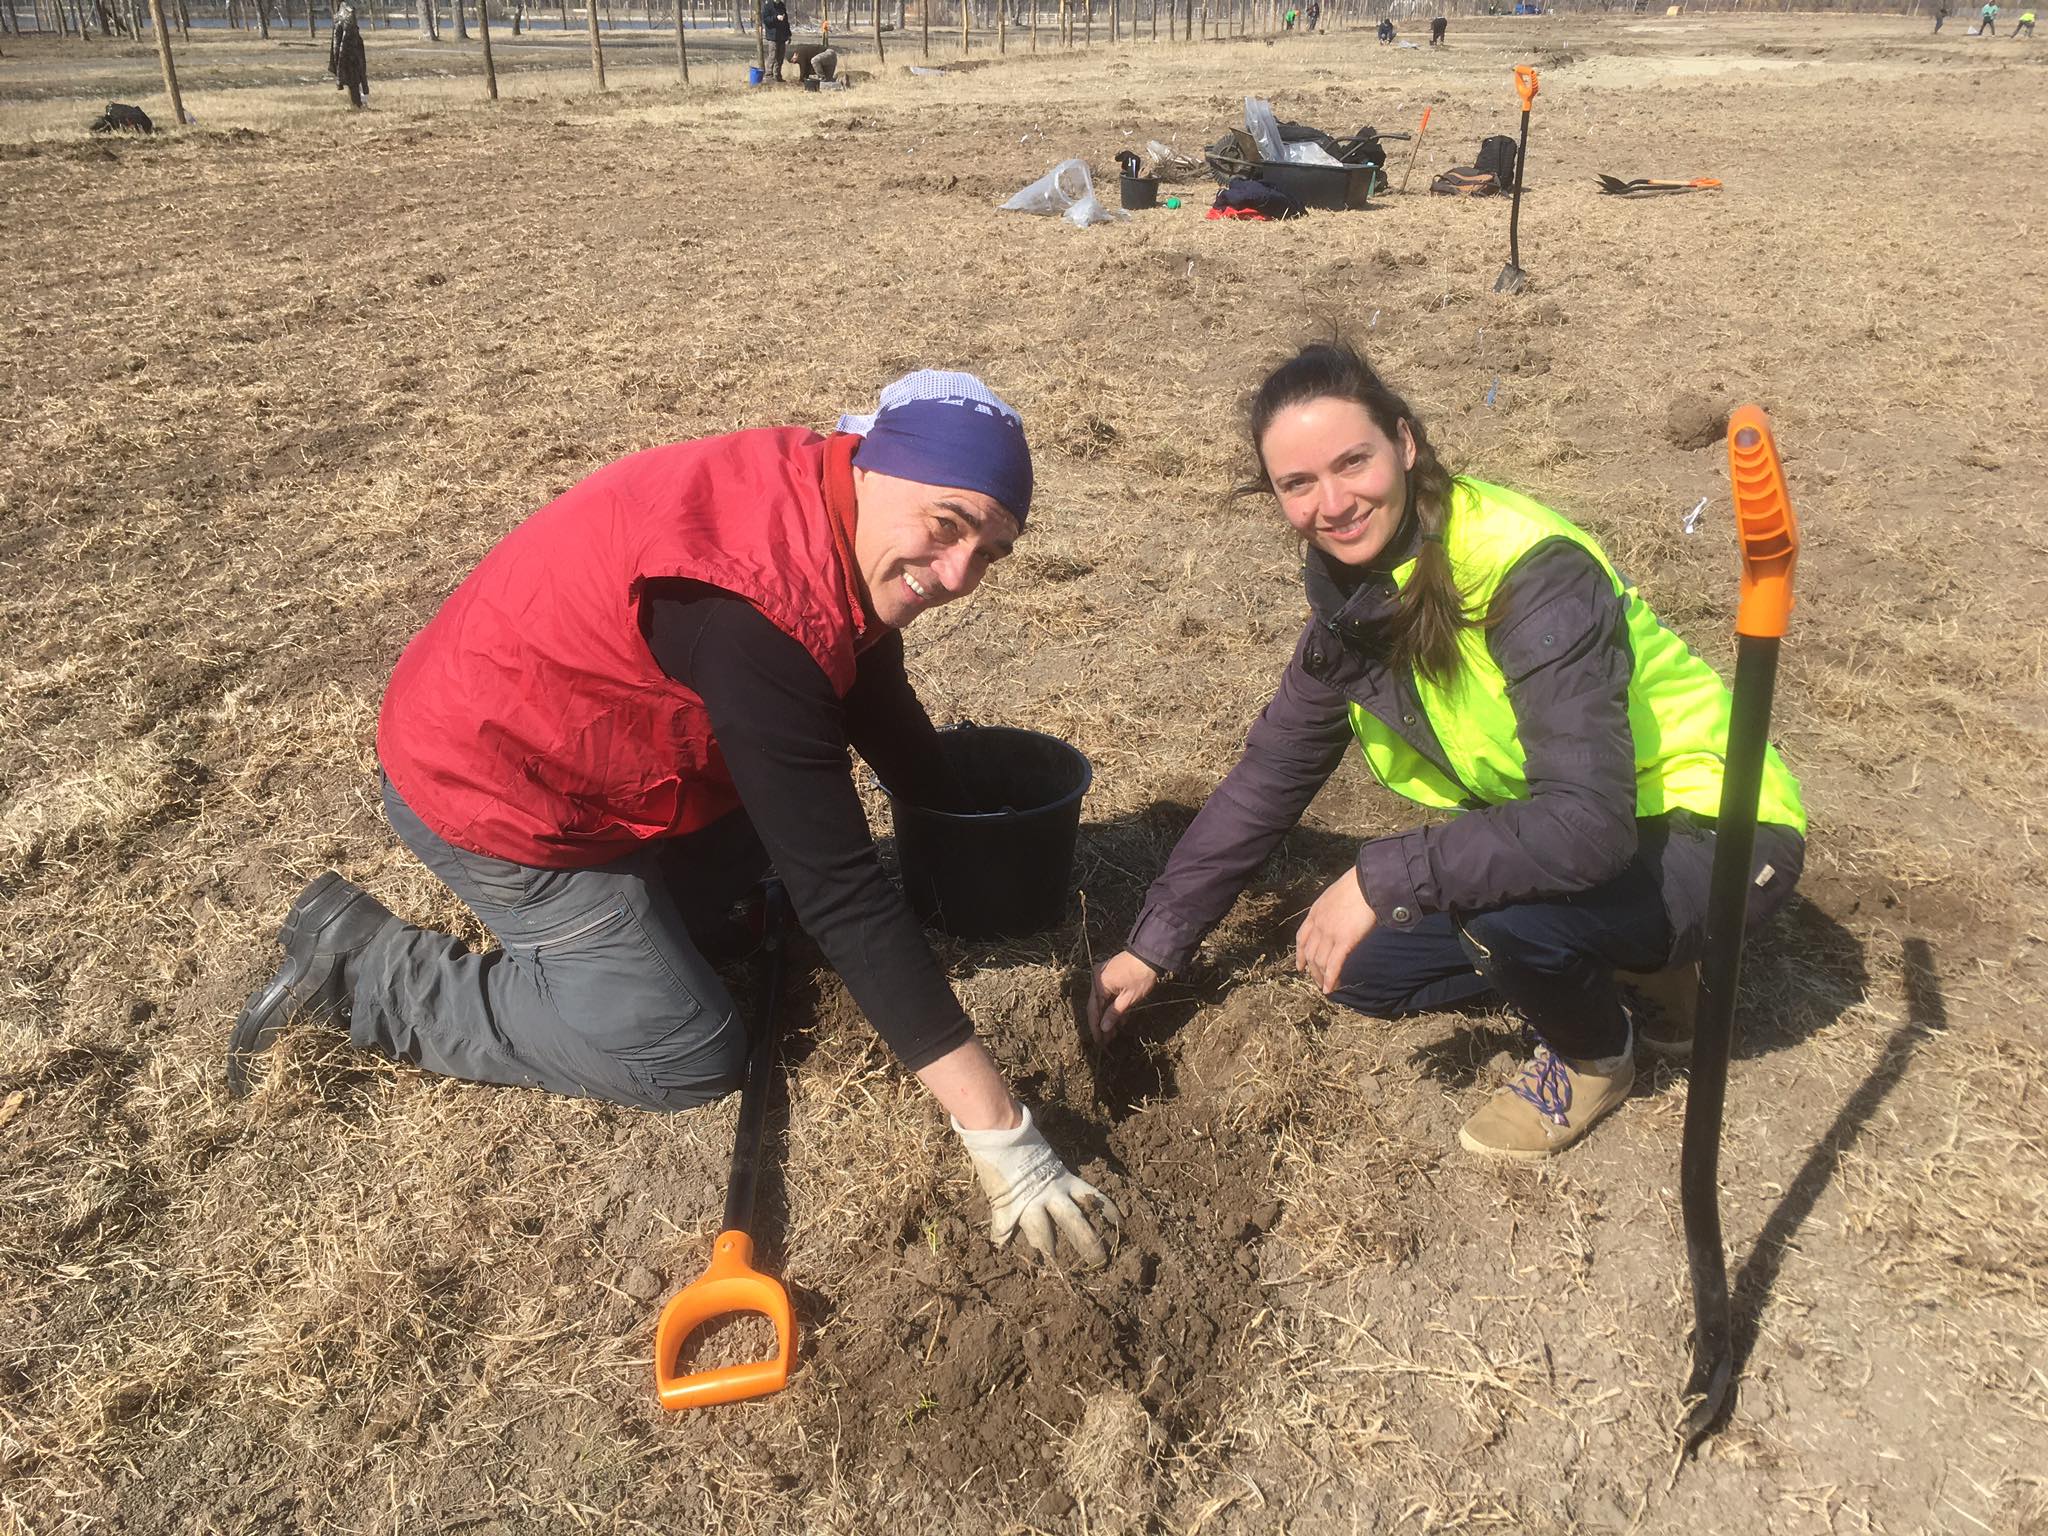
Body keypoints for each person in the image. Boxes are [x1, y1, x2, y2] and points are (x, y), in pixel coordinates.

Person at [229, 371, 1122, 1268]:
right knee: (684, 1051)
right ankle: (366, 976)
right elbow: (842, 894)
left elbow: (862, 674)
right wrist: (1003, 1137)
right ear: (878, 470)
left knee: (733, 896)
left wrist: (958, 816)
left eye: (992, 552)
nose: (959, 575)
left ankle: (661, 911)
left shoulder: (824, 499)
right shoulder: (754, 612)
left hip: (599, 748)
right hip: (499, 788)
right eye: (948, 526)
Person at [1087, 341, 1807, 1160]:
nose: (1333, 502)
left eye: (1352, 462)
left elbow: (1588, 825)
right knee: (1362, 971)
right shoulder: (1354, 609)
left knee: (1498, 917)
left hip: (1714, 829)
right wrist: (1155, 944)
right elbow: (1266, 783)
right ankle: (1644, 963)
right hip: (1594, 836)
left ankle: (1595, 1055)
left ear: (1404, 443)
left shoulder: (1529, 572)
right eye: (1298, 483)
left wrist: (1380, 874)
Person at [328, 1, 368, 110]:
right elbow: (345, 38)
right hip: (350, 53)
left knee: (354, 79)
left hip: (348, 51)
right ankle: (357, 104)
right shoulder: (347, 14)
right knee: (354, 79)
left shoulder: (341, 13)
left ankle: (357, 103)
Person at [760, 0, 791, 79]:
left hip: (782, 36)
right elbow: (766, 20)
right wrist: (776, 18)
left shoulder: (782, 5)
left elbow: (786, 22)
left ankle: (777, 75)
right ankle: (768, 75)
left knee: (780, 57)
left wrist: (788, 34)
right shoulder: (768, 6)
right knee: (772, 56)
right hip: (772, 36)